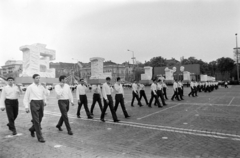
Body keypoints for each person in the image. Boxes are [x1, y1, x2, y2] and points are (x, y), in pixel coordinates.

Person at [24, 74, 48, 143]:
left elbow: (46, 94)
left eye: (39, 78)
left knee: (40, 118)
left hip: (41, 102)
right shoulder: (30, 87)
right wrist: (26, 107)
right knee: (36, 121)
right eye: (37, 78)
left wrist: (45, 87)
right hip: (33, 102)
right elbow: (26, 97)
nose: (38, 79)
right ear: (33, 79)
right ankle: (40, 137)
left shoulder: (42, 86)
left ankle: (32, 129)